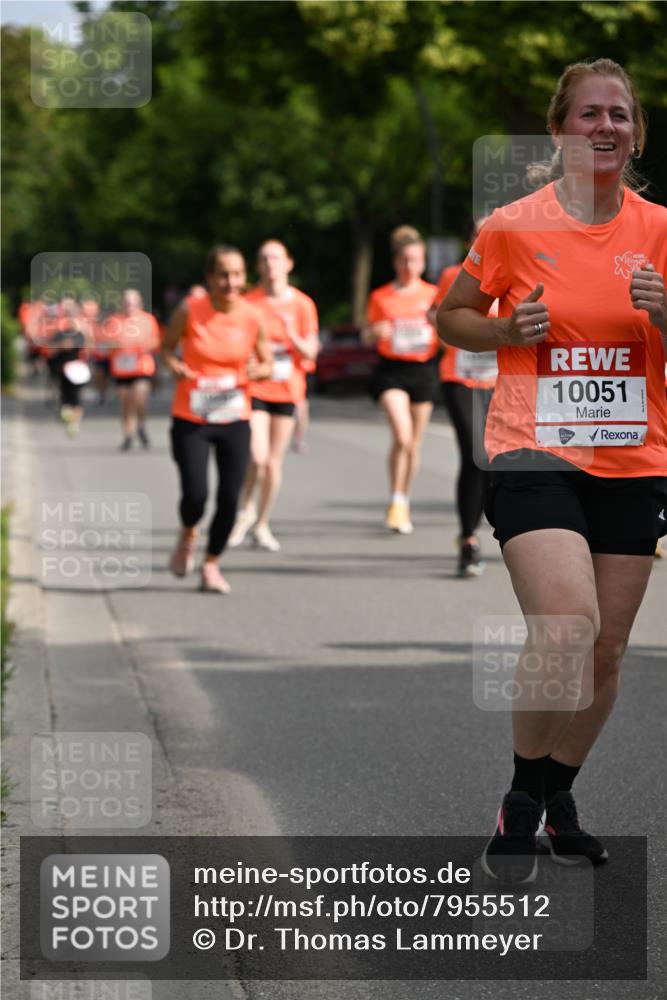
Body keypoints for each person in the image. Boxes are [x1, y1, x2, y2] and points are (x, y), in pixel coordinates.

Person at [438, 58, 667, 882]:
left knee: (605, 651)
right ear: (558, 130)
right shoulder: (512, 226)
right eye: (588, 115)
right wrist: (504, 334)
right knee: (564, 626)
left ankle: (555, 794)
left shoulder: (660, 228)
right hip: (532, 448)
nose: (605, 127)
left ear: (633, 131)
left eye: (619, 115)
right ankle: (523, 801)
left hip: (632, 457)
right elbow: (452, 314)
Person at [162, 245, 272, 594]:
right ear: (209, 277)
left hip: (234, 414)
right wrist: (173, 364)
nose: (230, 282)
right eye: (223, 274)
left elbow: (267, 362)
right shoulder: (189, 310)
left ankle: (211, 563)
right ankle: (188, 532)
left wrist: (260, 369)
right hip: (191, 415)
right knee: (196, 495)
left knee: (229, 498)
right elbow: (166, 347)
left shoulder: (252, 316)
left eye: (237, 274)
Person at [229, 240, 319, 551]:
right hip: (254, 387)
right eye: (264, 259)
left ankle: (262, 523)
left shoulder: (303, 305)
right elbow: (235, 342)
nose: (271, 264)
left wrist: (292, 335)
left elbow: (312, 351)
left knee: (272, 463)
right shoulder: (248, 302)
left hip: (288, 388)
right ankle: (245, 510)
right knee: (257, 455)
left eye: (276, 258)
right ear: (258, 267)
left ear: (289, 264)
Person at [432, 219, 498, 576]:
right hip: (459, 376)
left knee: (489, 458)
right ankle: (468, 539)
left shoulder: (516, 273)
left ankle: (485, 529)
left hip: (499, 381)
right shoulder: (451, 275)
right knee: (474, 452)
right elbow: (436, 314)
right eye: (480, 233)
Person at [363, 226, 439, 534]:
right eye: (404, 260)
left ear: (423, 263)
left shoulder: (433, 296)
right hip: (391, 370)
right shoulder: (381, 296)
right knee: (403, 436)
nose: (409, 266)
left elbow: (449, 339)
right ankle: (395, 497)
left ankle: (403, 501)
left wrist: (440, 328)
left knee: (414, 444)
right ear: (396, 262)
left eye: (415, 260)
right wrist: (376, 332)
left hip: (423, 371)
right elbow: (366, 334)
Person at [106, 290, 161, 450]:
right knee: (126, 402)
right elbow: (107, 341)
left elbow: (156, 341)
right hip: (122, 368)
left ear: (139, 304)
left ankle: (141, 425)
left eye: (133, 303)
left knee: (139, 397)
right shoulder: (114, 320)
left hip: (141, 367)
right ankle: (128, 434)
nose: (130, 306)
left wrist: (143, 347)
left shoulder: (147, 320)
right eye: (127, 302)